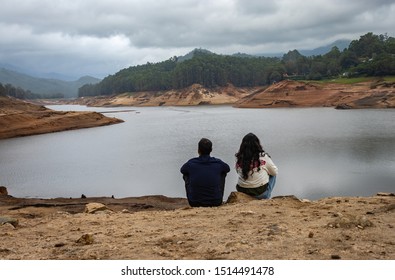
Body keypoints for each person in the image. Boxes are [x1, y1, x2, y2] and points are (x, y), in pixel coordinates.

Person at [180, 138, 230, 207]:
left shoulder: (191, 163)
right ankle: (216, 194)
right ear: (211, 150)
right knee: (223, 173)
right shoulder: (218, 162)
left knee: (186, 174)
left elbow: (182, 170)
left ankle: (195, 194)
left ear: (198, 150)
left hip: (194, 203)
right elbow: (227, 169)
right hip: (216, 202)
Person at [235, 133, 278, 199]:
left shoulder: (239, 157)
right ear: (257, 144)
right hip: (260, 193)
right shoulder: (263, 157)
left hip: (242, 190)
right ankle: (266, 197)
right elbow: (275, 172)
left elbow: (237, 171)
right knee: (272, 174)